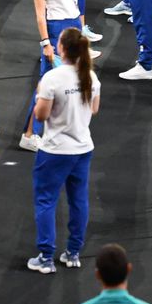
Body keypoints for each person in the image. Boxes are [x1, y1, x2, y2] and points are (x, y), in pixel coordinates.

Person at [21, 0, 107, 152]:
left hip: (74, 26)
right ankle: (29, 134)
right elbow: (40, 15)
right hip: (56, 29)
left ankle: (59, 126)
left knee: (72, 77)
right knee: (46, 81)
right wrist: (45, 43)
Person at [28, 27, 100, 274]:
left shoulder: (53, 78)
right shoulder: (90, 77)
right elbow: (94, 109)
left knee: (46, 200)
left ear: (62, 48)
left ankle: (46, 256)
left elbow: (41, 115)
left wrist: (39, 96)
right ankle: (73, 252)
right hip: (82, 148)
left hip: (55, 150)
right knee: (78, 201)